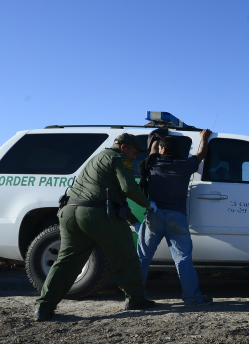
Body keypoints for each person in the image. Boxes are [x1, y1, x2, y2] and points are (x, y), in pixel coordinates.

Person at [34, 134, 158, 321]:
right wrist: (147, 204)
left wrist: (133, 220)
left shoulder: (98, 158)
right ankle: (135, 298)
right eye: (134, 153)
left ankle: (44, 306)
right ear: (124, 147)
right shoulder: (119, 159)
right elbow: (128, 188)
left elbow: (116, 199)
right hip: (96, 215)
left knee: (66, 262)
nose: (134, 157)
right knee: (126, 255)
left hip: (70, 213)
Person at [137, 129, 212, 307]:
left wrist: (158, 136)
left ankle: (134, 297)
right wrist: (204, 138)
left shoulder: (153, 162)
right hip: (177, 217)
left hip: (154, 215)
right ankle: (193, 299)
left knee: (143, 258)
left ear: (162, 150)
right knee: (183, 259)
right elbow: (201, 154)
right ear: (179, 151)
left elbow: (153, 150)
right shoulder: (186, 164)